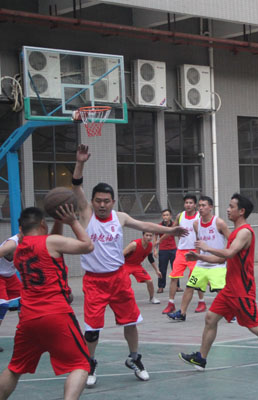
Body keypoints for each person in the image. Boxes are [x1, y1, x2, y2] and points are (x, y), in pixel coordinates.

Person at [72, 144, 187, 388]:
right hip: (94, 281)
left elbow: (145, 225)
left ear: (113, 201)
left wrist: (170, 230)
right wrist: (80, 163)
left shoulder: (119, 217)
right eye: (98, 201)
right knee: (92, 328)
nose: (102, 205)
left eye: (106, 201)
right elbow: (76, 186)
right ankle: (89, 363)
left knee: (130, 322)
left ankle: (134, 358)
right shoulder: (86, 214)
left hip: (118, 278)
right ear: (92, 202)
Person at [179, 193, 258, 376]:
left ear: (241, 211)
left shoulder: (244, 232)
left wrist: (206, 247)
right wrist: (199, 257)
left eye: (231, 206)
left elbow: (229, 253)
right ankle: (201, 358)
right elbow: (222, 259)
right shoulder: (235, 232)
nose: (228, 209)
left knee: (254, 325)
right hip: (230, 288)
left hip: (242, 289)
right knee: (210, 318)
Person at [0, 206, 94, 400]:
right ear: (41, 224)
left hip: (28, 318)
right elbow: (87, 246)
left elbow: (50, 243)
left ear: (21, 228)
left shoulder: (18, 250)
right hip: (56, 314)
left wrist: (57, 222)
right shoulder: (51, 242)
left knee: (14, 368)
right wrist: (72, 221)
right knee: (81, 364)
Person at [168, 196, 230, 322]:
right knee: (189, 286)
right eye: (200, 205)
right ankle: (182, 313)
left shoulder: (219, 223)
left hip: (216, 265)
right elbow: (198, 241)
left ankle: (231, 312)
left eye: (204, 205)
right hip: (201, 264)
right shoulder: (196, 224)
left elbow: (232, 240)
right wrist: (196, 256)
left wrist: (225, 255)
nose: (201, 208)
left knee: (221, 290)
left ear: (210, 207)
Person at [162, 195, 205, 315]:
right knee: (174, 277)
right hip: (181, 251)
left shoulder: (199, 216)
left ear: (195, 205)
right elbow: (171, 230)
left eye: (191, 203)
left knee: (196, 278)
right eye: (186, 202)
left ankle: (201, 302)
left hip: (194, 252)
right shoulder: (180, 216)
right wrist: (159, 240)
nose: (188, 205)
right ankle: (171, 303)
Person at [123, 232, 162, 304]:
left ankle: (152, 298)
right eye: (147, 235)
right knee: (123, 282)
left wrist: (157, 270)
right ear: (143, 236)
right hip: (126, 265)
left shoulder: (150, 245)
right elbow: (121, 255)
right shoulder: (134, 244)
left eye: (150, 236)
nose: (148, 237)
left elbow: (150, 258)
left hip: (137, 266)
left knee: (149, 281)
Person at [153, 209, 178, 294]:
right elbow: (155, 238)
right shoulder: (159, 226)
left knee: (175, 268)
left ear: (170, 216)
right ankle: (161, 286)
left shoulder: (174, 225)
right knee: (162, 269)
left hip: (173, 249)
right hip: (163, 250)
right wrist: (155, 250)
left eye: (167, 215)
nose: (165, 217)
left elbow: (179, 235)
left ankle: (177, 286)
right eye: (164, 215)